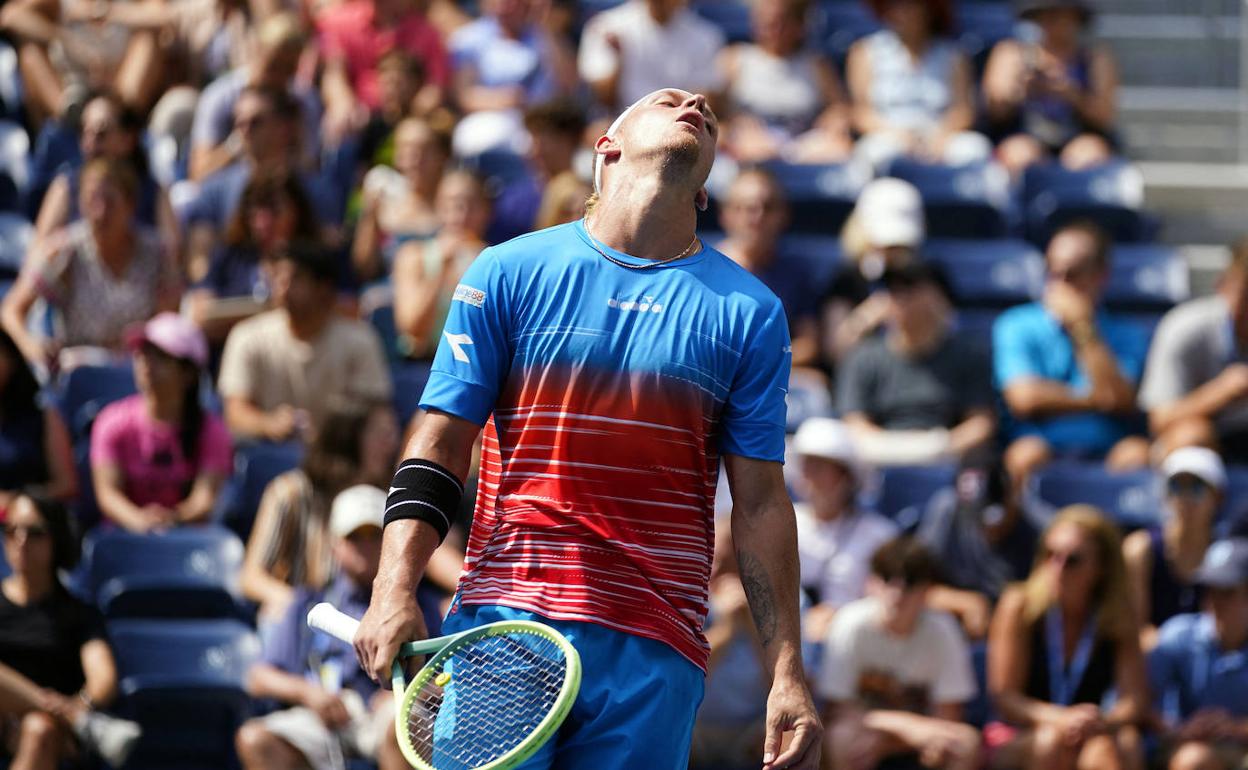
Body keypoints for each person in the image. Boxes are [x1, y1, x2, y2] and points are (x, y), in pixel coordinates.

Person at [352, 88, 821, 769]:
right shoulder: (506, 272)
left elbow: (760, 504)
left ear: (706, 189)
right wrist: (392, 588)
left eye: (707, 115)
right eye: (666, 99)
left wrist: (787, 671)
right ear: (608, 145)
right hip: (505, 620)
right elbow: (439, 446)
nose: (693, 101)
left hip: (657, 652)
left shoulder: (752, 312)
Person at [239, 401, 465, 627]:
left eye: (391, 432)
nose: (391, 443)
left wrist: (468, 590)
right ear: (348, 438)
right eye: (380, 434)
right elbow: (251, 577)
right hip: (306, 618)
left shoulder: (391, 492)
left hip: (373, 610)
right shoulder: (290, 493)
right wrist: (298, 606)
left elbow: (429, 552)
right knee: (275, 616)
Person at [235, 485, 407, 770]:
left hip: (383, 711)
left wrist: (401, 692)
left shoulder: (411, 604)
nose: (365, 546)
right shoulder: (305, 603)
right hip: (320, 712)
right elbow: (258, 677)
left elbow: (440, 674)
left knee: (400, 725)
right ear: (335, 544)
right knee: (256, 739)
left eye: (375, 536)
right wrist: (308, 693)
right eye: (354, 537)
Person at [986, 505, 1149, 770]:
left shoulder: (1117, 616)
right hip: (1021, 732)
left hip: (1088, 732)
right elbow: (1005, 698)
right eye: (1050, 555)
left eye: (1072, 560)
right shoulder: (1018, 606)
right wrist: (1060, 719)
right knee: (1050, 742)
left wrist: (1100, 721)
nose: (1057, 567)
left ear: (1101, 568)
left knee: (1122, 744)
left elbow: (1134, 701)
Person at [993, 220, 1151, 490]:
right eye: (1053, 273)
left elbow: (1119, 399)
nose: (1060, 284)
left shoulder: (1129, 333)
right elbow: (1025, 398)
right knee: (1025, 455)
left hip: (1107, 448)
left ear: (1101, 275)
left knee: (1137, 454)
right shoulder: (1015, 324)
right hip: (1042, 445)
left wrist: (1084, 329)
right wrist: (1094, 397)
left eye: (1073, 274)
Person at [1, 157, 181, 376]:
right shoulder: (64, 251)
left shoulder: (157, 254)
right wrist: (32, 346)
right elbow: (11, 310)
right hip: (79, 375)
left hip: (139, 372)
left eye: (110, 201)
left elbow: (170, 319)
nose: (100, 212)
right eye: (92, 200)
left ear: (131, 204)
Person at [0, 494, 142, 769]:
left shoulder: (77, 612)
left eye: (35, 532)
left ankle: (69, 719)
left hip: (50, 732)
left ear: (57, 540)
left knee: (40, 729)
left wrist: (80, 705)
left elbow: (103, 679)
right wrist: (71, 714)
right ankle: (78, 722)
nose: (21, 540)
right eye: (10, 530)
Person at [817, 536, 981, 770]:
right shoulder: (850, 624)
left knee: (966, 743)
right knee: (841, 738)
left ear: (927, 590)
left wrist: (899, 740)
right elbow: (838, 709)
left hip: (924, 738)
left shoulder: (943, 629)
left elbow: (950, 713)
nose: (897, 593)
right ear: (870, 583)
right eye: (887, 579)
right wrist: (904, 727)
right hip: (868, 733)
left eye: (910, 582)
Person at [217, 241, 392, 442]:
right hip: (271, 454)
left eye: (296, 278)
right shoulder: (247, 337)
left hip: (340, 460)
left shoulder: (361, 341)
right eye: (277, 277)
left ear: (323, 288)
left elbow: (376, 413)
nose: (283, 286)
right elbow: (235, 412)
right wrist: (268, 423)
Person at [839, 260, 997, 466]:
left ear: (938, 297)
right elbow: (854, 424)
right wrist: (898, 449)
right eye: (892, 290)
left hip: (947, 463)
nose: (900, 299)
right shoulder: (864, 356)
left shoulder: (968, 354)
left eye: (910, 288)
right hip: (877, 464)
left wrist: (940, 446)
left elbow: (981, 423)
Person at [90, 313, 233, 532]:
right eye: (143, 353)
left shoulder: (212, 430)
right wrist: (138, 520)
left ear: (188, 374)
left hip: (186, 542)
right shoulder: (110, 422)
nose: (146, 362)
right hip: (124, 540)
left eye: (161, 356)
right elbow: (108, 494)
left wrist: (172, 520)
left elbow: (204, 499)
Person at [1139, 236, 1248, 462]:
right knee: (1191, 436)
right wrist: (1221, 392)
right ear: (1222, 286)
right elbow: (1160, 420)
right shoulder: (1185, 329)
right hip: (1205, 445)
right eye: (1246, 296)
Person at [846, 0, 991, 171]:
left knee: (974, 149)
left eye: (909, 5)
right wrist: (897, 136)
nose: (901, 11)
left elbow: (963, 110)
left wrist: (941, 137)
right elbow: (861, 113)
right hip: (888, 135)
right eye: (894, 6)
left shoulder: (953, 55)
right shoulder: (864, 51)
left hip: (940, 136)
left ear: (928, 10)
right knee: (877, 154)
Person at [790, 417, 898, 643]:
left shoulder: (880, 534)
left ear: (846, 476)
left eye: (821, 467)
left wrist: (840, 617)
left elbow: (893, 597)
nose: (810, 474)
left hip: (857, 644)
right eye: (806, 465)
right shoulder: (782, 521)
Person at [982, 0, 1118, 176]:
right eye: (1048, 14)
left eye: (1062, 14)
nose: (1054, 21)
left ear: (1077, 17)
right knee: (1020, 155)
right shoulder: (1011, 52)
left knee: (1087, 156)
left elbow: (1104, 118)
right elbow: (995, 111)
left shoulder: (1095, 58)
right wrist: (1021, 88)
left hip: (1077, 136)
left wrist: (1071, 94)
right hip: (1022, 134)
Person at [186, 171, 322, 345]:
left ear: (297, 210)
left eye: (274, 210)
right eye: (254, 210)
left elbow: (343, 310)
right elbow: (201, 315)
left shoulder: (317, 258)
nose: (262, 223)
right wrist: (273, 309)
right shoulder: (231, 256)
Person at [1148, 538, 1248, 770]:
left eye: (1227, 592)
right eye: (1209, 589)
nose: (1214, 601)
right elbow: (1140, 704)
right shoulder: (1178, 635)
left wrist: (1235, 728)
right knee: (1193, 761)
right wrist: (1177, 728)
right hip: (1187, 746)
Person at [31, 91, 175, 251]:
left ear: (127, 139)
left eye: (101, 134)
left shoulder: (154, 192)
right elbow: (38, 257)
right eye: (85, 133)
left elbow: (172, 257)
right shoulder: (65, 186)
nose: (90, 145)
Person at [188, 12, 323, 182]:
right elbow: (199, 175)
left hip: (285, 189)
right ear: (258, 50)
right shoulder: (219, 97)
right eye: (274, 65)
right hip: (230, 190)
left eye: (288, 68)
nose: (279, 76)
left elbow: (311, 169)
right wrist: (240, 142)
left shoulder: (304, 100)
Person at [716, 0, 851, 164]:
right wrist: (735, 125)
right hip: (748, 143)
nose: (774, 30)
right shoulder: (734, 59)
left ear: (799, 26)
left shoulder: (816, 65)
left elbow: (839, 107)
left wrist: (833, 122)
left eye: (782, 23)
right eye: (766, 23)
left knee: (840, 148)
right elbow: (715, 112)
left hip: (804, 144)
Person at [716, 168, 824, 368]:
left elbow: (809, 344)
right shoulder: (701, 272)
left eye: (767, 207)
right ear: (726, 215)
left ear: (783, 215)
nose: (757, 217)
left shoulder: (795, 273)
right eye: (746, 208)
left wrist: (761, 366)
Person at [1123, 446, 1224, 650]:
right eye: (1176, 486)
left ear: (1218, 497)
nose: (1185, 498)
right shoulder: (1140, 550)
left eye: (1197, 487)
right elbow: (1132, 629)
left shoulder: (1227, 553)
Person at [0, 0, 166, 122]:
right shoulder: (62, 4)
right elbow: (10, 16)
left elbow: (166, 17)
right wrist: (64, 38)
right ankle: (66, 117)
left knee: (149, 39)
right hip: (71, 88)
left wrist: (105, 13)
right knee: (30, 50)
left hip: (120, 87)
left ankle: (121, 118)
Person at [447, 0, 576, 156]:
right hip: (492, 121)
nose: (506, 6)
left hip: (543, 124)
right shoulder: (469, 39)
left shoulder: (543, 34)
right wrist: (501, 99)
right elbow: (464, 95)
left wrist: (545, 27)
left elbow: (570, 83)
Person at [820, 177, 924, 369]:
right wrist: (870, 316)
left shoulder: (926, 278)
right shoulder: (847, 278)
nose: (891, 251)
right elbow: (834, 350)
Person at [917, 448, 1040, 605]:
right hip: (958, 618)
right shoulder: (947, 509)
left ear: (1014, 491)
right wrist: (962, 603)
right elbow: (915, 582)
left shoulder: (1039, 524)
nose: (986, 523)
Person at [391, 169, 491, 360]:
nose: (460, 215)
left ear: (486, 210)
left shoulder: (495, 262)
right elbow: (411, 328)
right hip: (422, 365)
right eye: (451, 205)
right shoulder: (413, 255)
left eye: (471, 205)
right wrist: (442, 269)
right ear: (438, 207)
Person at [316, 0, 451, 143]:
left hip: (408, 116)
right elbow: (334, 73)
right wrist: (342, 102)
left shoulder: (425, 31)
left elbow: (435, 86)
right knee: (339, 129)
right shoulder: (340, 23)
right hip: (361, 116)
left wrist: (413, 114)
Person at [577, 0, 725, 112]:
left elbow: (706, 100)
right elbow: (603, 99)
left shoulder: (706, 36)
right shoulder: (605, 26)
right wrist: (619, 61)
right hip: (621, 123)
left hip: (680, 124)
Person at [352, 116, 450, 283]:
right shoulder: (381, 203)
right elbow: (365, 267)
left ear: (442, 156)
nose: (414, 159)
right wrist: (369, 216)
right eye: (405, 149)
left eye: (424, 150)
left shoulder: (455, 206)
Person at [488, 98, 587, 244]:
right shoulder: (512, 200)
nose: (535, 150)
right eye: (533, 140)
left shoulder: (592, 197)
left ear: (568, 141)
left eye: (543, 141)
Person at [0, 329, 76, 505]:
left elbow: (66, 485)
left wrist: (16, 503)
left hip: (28, 520)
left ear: (11, 361)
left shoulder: (44, 417)